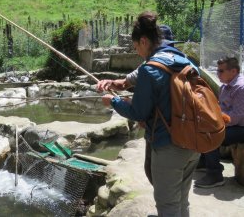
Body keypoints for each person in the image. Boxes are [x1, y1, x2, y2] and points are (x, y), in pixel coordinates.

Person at [97, 11, 199, 216]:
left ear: (143, 41)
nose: (137, 52)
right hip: (194, 140)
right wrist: (119, 84)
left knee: (167, 205)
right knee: (181, 199)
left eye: (136, 47)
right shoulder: (185, 60)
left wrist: (114, 101)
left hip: (169, 145)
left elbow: (138, 112)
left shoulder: (150, 69)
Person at [194, 56, 244, 188]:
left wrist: (215, 123)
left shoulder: (241, 88)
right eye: (218, 70)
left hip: (241, 127)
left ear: (233, 71)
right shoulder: (225, 86)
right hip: (232, 125)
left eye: (221, 71)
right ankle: (205, 161)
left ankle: (215, 174)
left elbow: (237, 117)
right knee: (201, 126)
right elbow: (220, 108)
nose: (217, 74)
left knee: (212, 135)